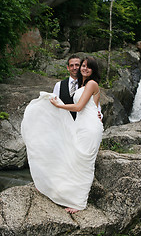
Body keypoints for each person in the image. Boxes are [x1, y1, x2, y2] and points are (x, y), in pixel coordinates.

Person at [21, 56, 103, 214]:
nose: (84, 69)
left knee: (84, 162)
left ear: (93, 70)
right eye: (83, 66)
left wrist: (61, 105)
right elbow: (95, 106)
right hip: (81, 125)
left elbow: (80, 107)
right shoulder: (83, 84)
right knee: (73, 158)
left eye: (88, 67)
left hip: (89, 127)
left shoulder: (92, 83)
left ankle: (80, 202)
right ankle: (58, 190)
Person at [53, 54, 102, 120]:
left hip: (84, 121)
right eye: (71, 65)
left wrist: (99, 115)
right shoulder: (59, 85)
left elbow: (95, 103)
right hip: (64, 123)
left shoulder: (89, 84)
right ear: (68, 68)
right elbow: (54, 104)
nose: (74, 68)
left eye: (77, 65)